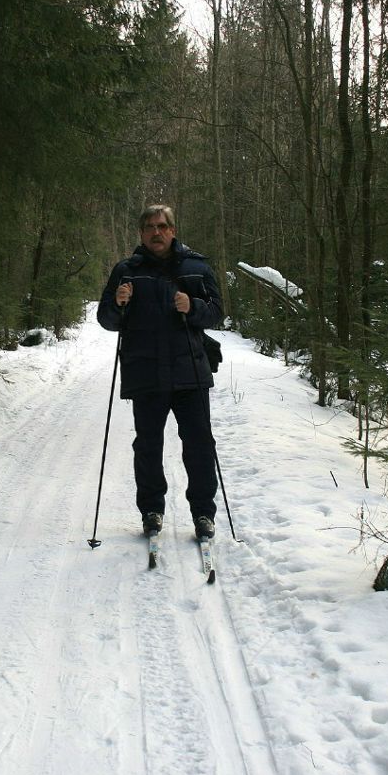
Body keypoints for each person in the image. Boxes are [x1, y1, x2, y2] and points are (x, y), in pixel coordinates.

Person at [97, 205, 224, 541]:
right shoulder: (126, 271)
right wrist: (118, 303)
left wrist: (193, 307)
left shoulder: (197, 267)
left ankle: (203, 514)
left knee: (199, 444)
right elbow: (106, 320)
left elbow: (217, 313)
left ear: (173, 230)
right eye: (150, 227)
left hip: (190, 373)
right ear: (141, 233)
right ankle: (152, 511)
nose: (156, 232)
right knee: (148, 446)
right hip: (147, 374)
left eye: (162, 226)